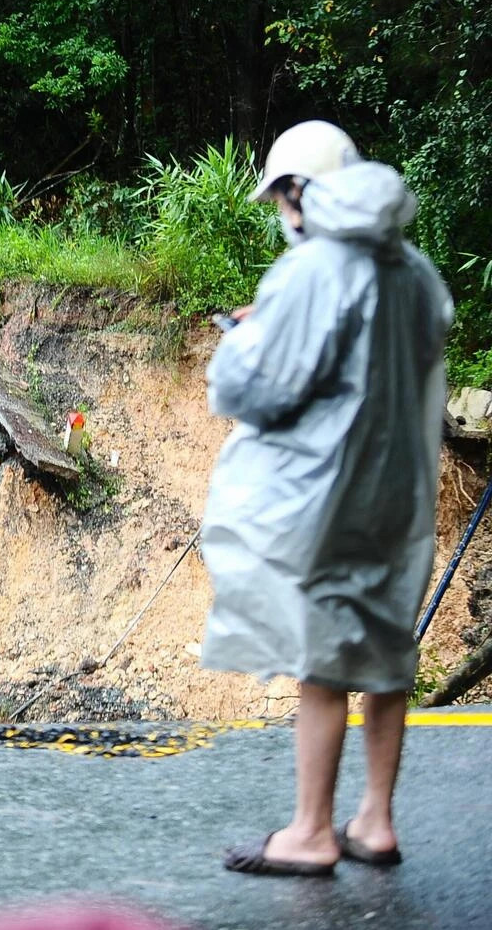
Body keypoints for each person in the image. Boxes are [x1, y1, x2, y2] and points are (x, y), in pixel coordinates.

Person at [203, 120, 452, 878]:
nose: (281, 212)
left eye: (280, 195)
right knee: (385, 648)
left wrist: (249, 335)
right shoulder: (413, 268)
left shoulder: (312, 270)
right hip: (401, 489)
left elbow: (254, 391)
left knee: (323, 660)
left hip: (327, 490)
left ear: (300, 192)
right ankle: (374, 820)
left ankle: (311, 830)